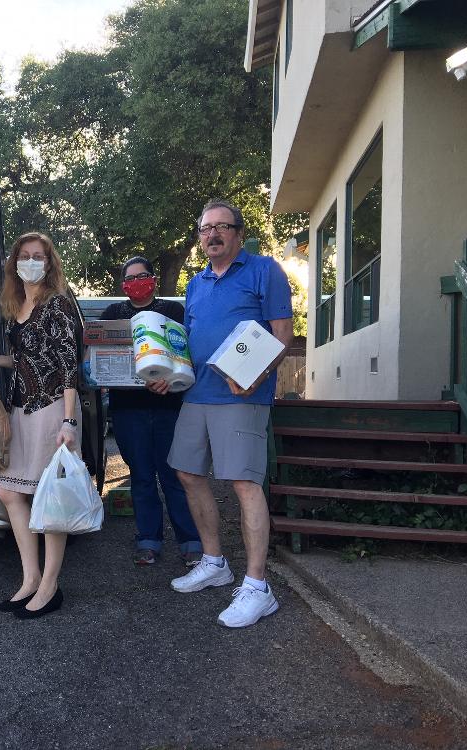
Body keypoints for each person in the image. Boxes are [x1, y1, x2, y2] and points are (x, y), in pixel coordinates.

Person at [156, 200, 293, 628]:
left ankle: (258, 587)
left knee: (244, 484)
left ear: (238, 232)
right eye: (204, 229)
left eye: (221, 227)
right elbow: (191, 343)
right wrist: (169, 374)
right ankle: (214, 562)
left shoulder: (263, 270)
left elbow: (282, 335)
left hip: (241, 397)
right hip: (197, 394)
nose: (211, 235)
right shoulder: (196, 284)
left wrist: (257, 376)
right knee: (187, 473)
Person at [0, 231, 80, 619]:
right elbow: (25, 359)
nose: (31, 261)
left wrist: (69, 420)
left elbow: (69, 364)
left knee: (49, 497)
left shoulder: (58, 305)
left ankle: (50, 585)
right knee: (9, 492)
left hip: (53, 408)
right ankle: (30, 578)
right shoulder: (17, 303)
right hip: (21, 408)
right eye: (25, 255)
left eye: (39, 256)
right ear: (14, 263)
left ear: (49, 263)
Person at [101, 256, 202, 567]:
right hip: (128, 411)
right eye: (130, 278)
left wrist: (169, 382)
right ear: (123, 285)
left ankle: (191, 541)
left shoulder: (173, 312)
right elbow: (98, 358)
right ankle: (148, 540)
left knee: (174, 475)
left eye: (142, 275)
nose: (137, 282)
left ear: (154, 279)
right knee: (142, 476)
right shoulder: (112, 314)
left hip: (169, 408)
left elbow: (187, 355)